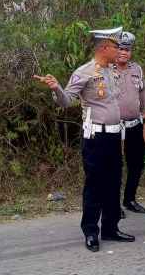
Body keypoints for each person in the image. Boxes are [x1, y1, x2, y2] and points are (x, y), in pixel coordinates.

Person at [33, 27, 134, 252]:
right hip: (95, 137)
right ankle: (91, 231)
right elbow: (66, 100)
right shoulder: (84, 72)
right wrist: (56, 88)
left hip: (115, 135)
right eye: (117, 46)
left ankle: (110, 227)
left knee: (114, 182)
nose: (120, 50)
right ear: (104, 47)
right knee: (95, 185)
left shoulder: (113, 70)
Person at [113, 31, 145, 214]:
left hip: (134, 124)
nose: (123, 52)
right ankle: (113, 205)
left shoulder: (137, 69)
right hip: (114, 126)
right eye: (120, 48)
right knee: (115, 165)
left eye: (127, 49)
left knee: (136, 163)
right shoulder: (106, 69)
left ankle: (130, 199)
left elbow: (143, 92)